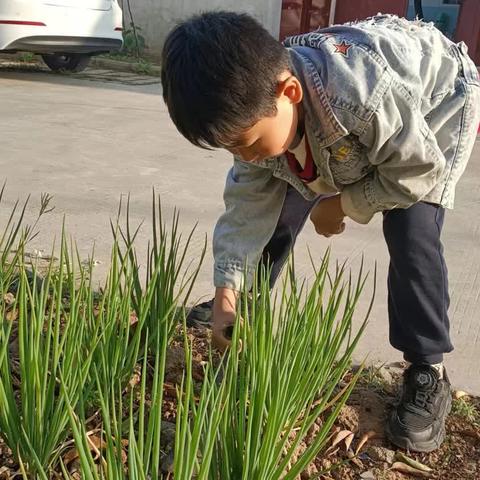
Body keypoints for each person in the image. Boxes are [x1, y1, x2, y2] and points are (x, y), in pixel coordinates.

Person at [160, 11, 480, 452]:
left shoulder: (362, 96)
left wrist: (345, 205)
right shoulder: (259, 114)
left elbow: (417, 170)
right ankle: (244, 316)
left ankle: (427, 369)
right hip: (337, 117)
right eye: (231, 147)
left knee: (413, 229)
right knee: (278, 204)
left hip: (435, 98)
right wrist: (226, 292)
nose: (244, 157)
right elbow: (245, 209)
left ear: (288, 91)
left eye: (247, 143)